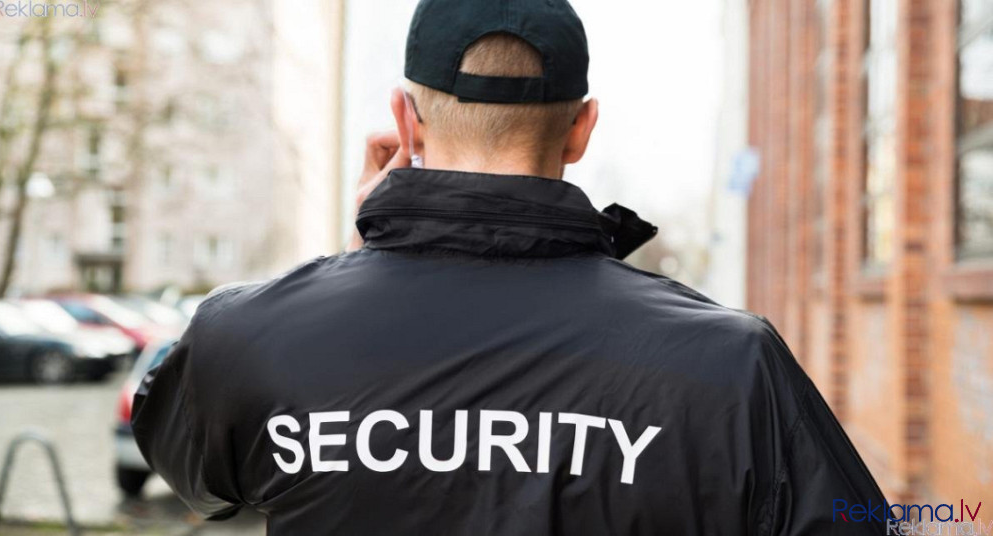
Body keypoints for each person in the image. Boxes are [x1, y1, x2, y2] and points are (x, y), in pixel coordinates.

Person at [132, 0, 888, 534]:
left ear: (405, 121)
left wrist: (360, 256)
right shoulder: (730, 365)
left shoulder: (251, 336)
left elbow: (194, 474)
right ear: (582, 128)